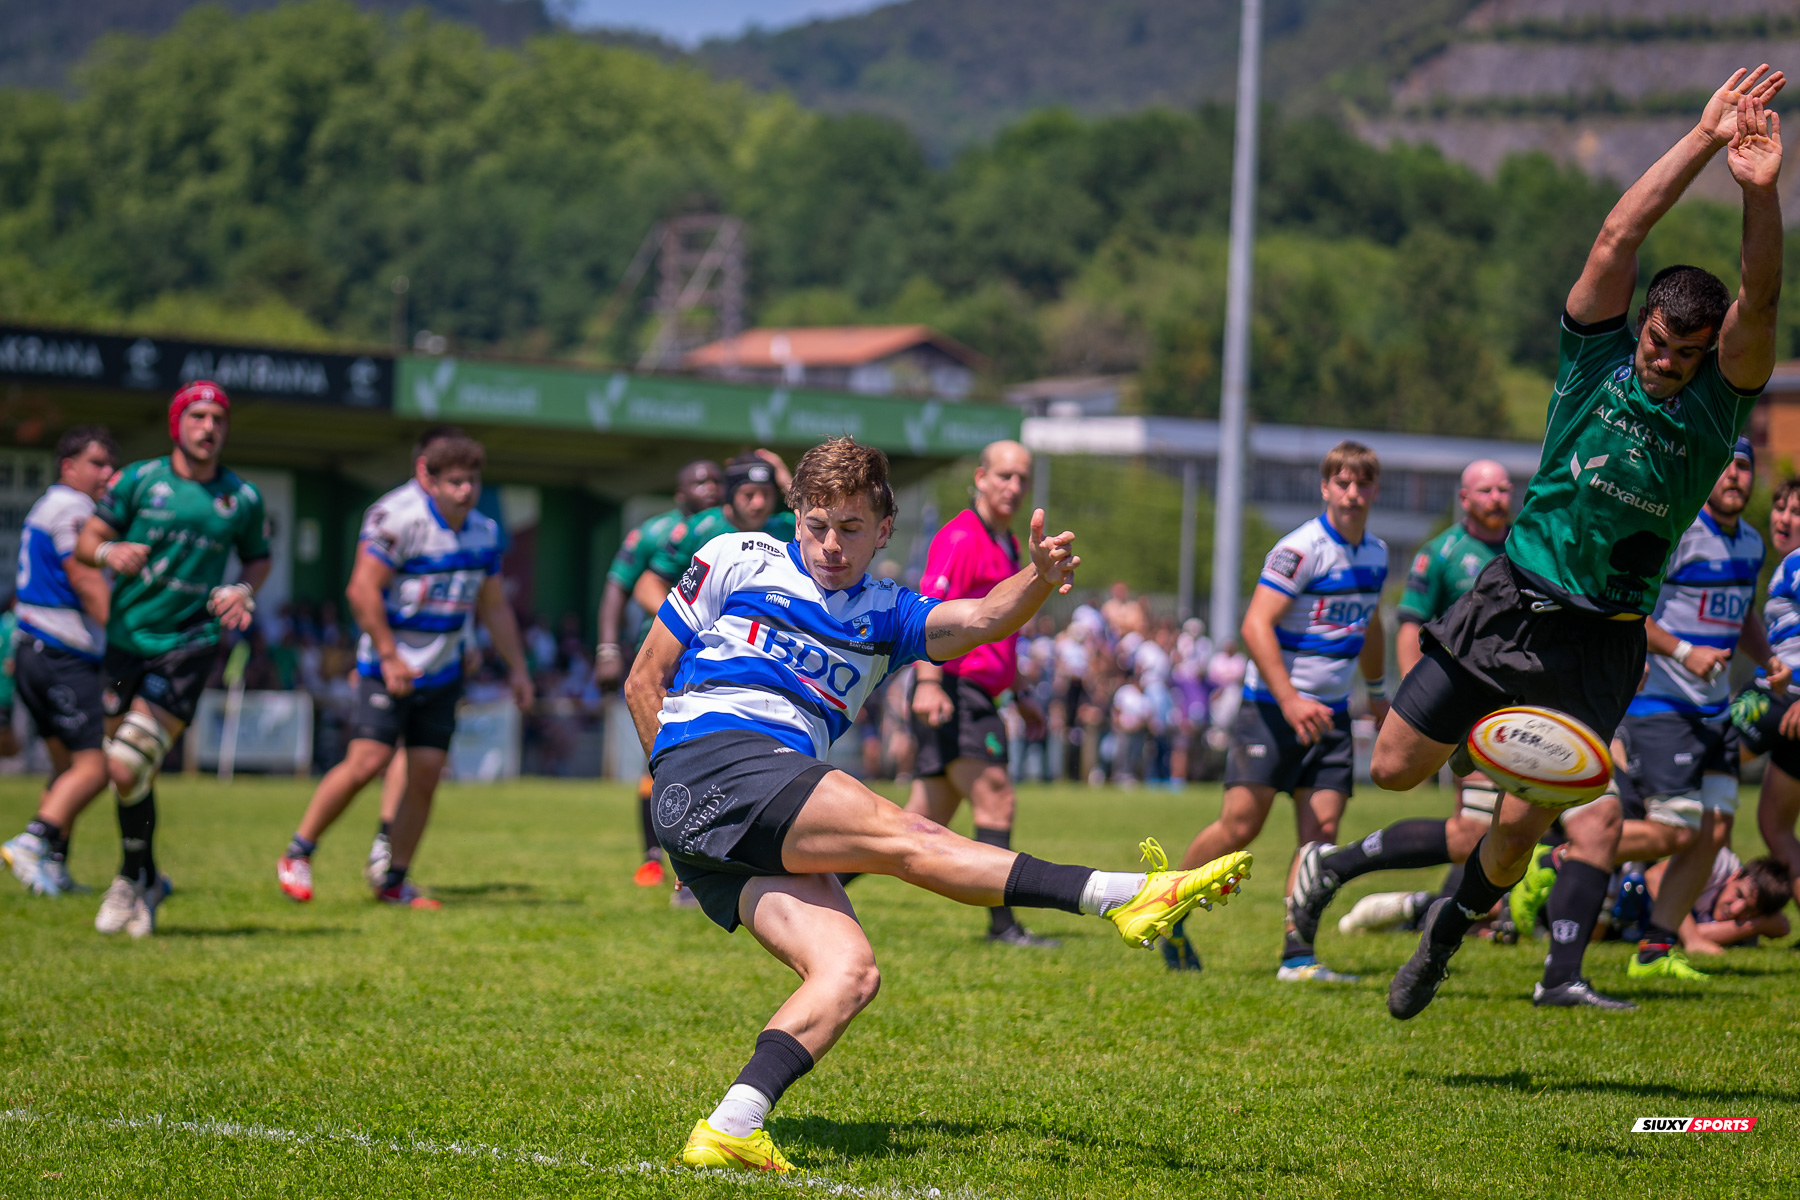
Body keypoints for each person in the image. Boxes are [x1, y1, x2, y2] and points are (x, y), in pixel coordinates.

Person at [624, 437, 1252, 1174]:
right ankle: (1122, 895)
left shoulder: (888, 612)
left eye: (851, 529)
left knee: (850, 972)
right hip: (715, 760)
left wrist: (1040, 580)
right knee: (905, 833)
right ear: (796, 515)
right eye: (817, 524)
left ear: (884, 528)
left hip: (751, 794)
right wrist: (676, 799)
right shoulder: (737, 556)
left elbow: (984, 617)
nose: (831, 545)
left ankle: (732, 1124)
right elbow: (646, 677)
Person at [1369, 68, 1784, 1018]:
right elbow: (1617, 236)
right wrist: (1704, 139)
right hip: (1510, 598)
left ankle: (1444, 932)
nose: (1666, 362)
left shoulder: (1718, 406)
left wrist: (1758, 192)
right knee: (1392, 766)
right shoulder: (1595, 355)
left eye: (1686, 354)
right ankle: (1426, 851)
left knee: (1518, 832)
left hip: (1601, 644)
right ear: (1639, 326)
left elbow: (1759, 303)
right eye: (1658, 343)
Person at [277, 432, 533, 907]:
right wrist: (390, 656)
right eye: (454, 482)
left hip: (442, 671)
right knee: (368, 761)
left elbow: (494, 607)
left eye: (472, 481)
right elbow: (361, 590)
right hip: (387, 666)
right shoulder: (396, 519)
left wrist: (517, 669)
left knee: (426, 772)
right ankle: (298, 852)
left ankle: (394, 880)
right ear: (426, 478)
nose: (465, 491)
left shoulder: (485, 532)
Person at [1167, 441, 1388, 979]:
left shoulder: (1378, 554)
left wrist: (1378, 692)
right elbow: (1254, 625)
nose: (1352, 493)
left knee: (1321, 835)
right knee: (1240, 826)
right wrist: (1289, 700)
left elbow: (1369, 624)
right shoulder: (1300, 549)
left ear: (1374, 491)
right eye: (1342, 482)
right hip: (1270, 710)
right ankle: (1165, 908)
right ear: (1325, 488)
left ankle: (1298, 954)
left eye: (1362, 484)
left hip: (1331, 717)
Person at [75, 382, 271, 937]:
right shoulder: (140, 479)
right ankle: (145, 876)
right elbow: (88, 539)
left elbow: (259, 559)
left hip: (189, 644)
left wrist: (243, 591)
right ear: (176, 424)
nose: (209, 427)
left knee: (126, 765)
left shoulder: (242, 498)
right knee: (129, 776)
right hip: (125, 640)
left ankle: (127, 876)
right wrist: (109, 550)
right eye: (198, 416)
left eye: (218, 418)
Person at [1293, 460, 1517, 946]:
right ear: (1464, 498)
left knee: (1495, 832)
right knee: (1473, 832)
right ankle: (1343, 867)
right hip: (1468, 701)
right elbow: (1410, 624)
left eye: (1504, 488)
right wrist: (1420, 700)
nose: (1498, 497)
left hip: (1516, 704)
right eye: (1487, 490)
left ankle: (1454, 913)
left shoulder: (1523, 548)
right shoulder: (1442, 553)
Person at [1608, 443, 1783, 981]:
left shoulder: (1751, 544)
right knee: (1677, 829)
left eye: (1745, 466)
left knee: (1716, 828)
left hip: (1716, 713)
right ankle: (1574, 853)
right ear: (1707, 472)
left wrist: (1769, 655)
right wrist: (1686, 652)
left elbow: (1741, 612)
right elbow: (1633, 610)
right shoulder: (1677, 531)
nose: (1735, 475)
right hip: (1665, 706)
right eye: (1725, 463)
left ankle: (1658, 945)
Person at [904, 440, 1057, 947]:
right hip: (953, 690)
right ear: (981, 477)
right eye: (1005, 476)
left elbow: (996, 632)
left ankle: (814, 885)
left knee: (913, 829)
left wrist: (1018, 691)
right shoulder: (960, 536)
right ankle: (1003, 926)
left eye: (1022, 478)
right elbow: (929, 612)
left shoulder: (1010, 544)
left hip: (980, 693)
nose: (1014, 487)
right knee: (998, 801)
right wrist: (927, 683)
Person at [593, 458, 724, 890]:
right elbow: (617, 587)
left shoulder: (728, 530)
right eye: (698, 480)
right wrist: (608, 649)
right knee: (662, 753)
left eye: (715, 480)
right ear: (679, 492)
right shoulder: (654, 533)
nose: (709, 487)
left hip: (713, 657)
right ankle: (654, 856)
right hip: (661, 656)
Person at [2, 426, 120, 896]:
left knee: (64, 768)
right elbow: (87, 582)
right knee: (96, 769)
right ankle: (32, 842)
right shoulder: (73, 509)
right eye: (97, 463)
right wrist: (135, 641)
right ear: (68, 467)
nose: (107, 473)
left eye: (111, 464)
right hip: (61, 653)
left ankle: (52, 867)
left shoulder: (46, 505)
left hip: (34, 649)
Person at [1732, 476, 1800, 916]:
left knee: (1704, 758)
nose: (1783, 517)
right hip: (1788, 704)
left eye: (1796, 512)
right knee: (1774, 825)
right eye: (1779, 507)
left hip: (1781, 699)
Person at [1645, 848, 1790, 953]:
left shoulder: (1752, 923)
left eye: (1750, 910)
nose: (1735, 910)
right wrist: (1692, 938)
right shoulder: (1715, 862)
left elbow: (1681, 936)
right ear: (1735, 876)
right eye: (1739, 894)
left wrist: (1756, 925)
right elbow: (1654, 877)